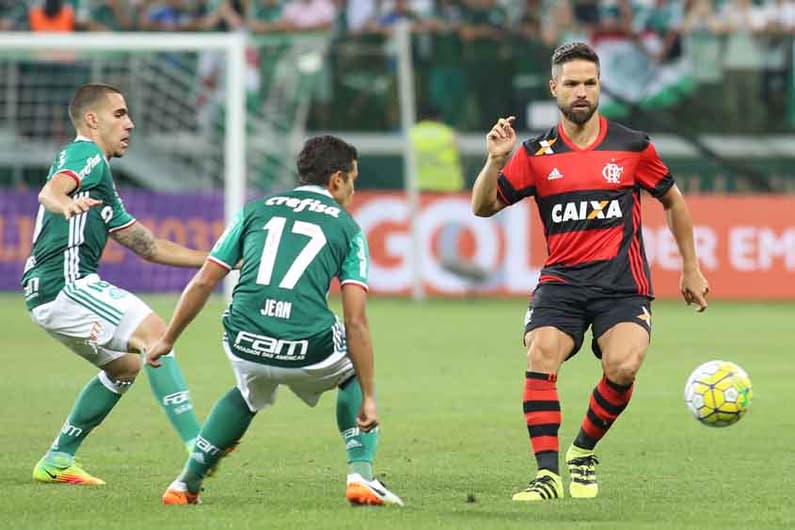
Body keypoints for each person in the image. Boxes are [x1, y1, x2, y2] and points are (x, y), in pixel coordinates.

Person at [471, 42, 709, 501]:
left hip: (622, 284)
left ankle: (582, 450)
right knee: (541, 353)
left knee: (624, 364)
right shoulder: (535, 153)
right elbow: (483, 207)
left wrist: (690, 268)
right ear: (554, 88)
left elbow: (673, 200)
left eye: (590, 83)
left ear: (599, 87)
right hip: (562, 282)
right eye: (573, 83)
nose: (582, 92)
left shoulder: (633, 146)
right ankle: (546, 475)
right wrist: (496, 161)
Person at [147, 135, 403, 507]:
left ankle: (186, 483)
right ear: (336, 180)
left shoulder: (255, 210)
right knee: (352, 369)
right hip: (306, 350)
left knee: (249, 390)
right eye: (353, 180)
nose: (352, 190)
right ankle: (361, 475)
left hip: (243, 341)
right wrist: (368, 396)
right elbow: (356, 321)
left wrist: (168, 339)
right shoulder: (348, 228)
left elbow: (204, 279)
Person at [21, 83, 204, 485]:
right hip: (65, 284)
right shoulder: (84, 153)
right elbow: (50, 192)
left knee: (125, 366)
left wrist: (215, 262)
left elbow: (149, 246)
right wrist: (64, 203)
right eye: (119, 114)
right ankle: (198, 445)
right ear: (92, 120)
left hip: (45, 293)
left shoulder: (100, 183)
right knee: (156, 335)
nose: (130, 124)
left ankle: (57, 459)